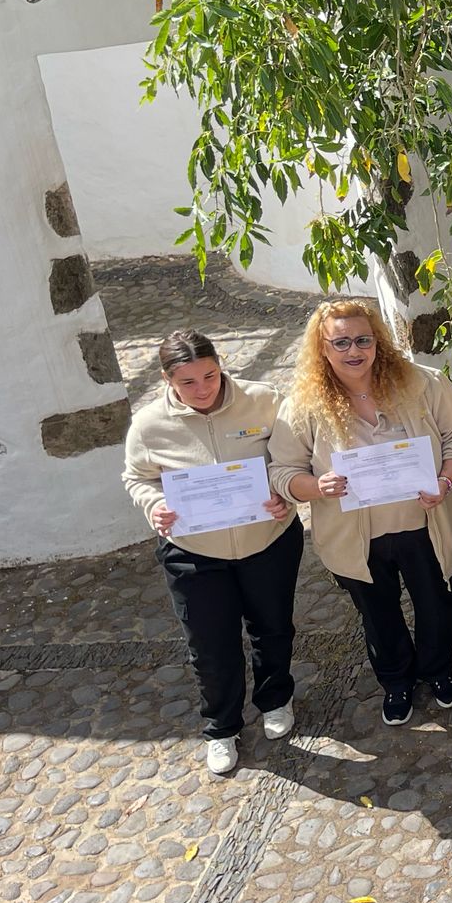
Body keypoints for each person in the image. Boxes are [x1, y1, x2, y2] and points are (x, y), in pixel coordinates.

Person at [270, 299, 452, 727]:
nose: (354, 350)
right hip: (355, 534)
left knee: (437, 602)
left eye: (363, 339)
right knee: (378, 613)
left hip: (425, 521)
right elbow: (282, 470)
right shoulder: (304, 405)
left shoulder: (422, 383)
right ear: (322, 349)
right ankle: (396, 681)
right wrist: (315, 487)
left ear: (378, 341)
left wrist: (445, 479)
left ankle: (439, 671)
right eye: (340, 342)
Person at [122, 330, 302, 777]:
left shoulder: (264, 400)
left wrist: (287, 496)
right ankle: (221, 727)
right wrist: (155, 506)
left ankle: (276, 698)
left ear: (221, 364)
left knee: (273, 627)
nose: (203, 389)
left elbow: (292, 461)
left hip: (268, 540)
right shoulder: (148, 425)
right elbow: (137, 478)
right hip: (193, 551)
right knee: (209, 644)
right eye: (188, 382)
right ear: (167, 380)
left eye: (210, 375)